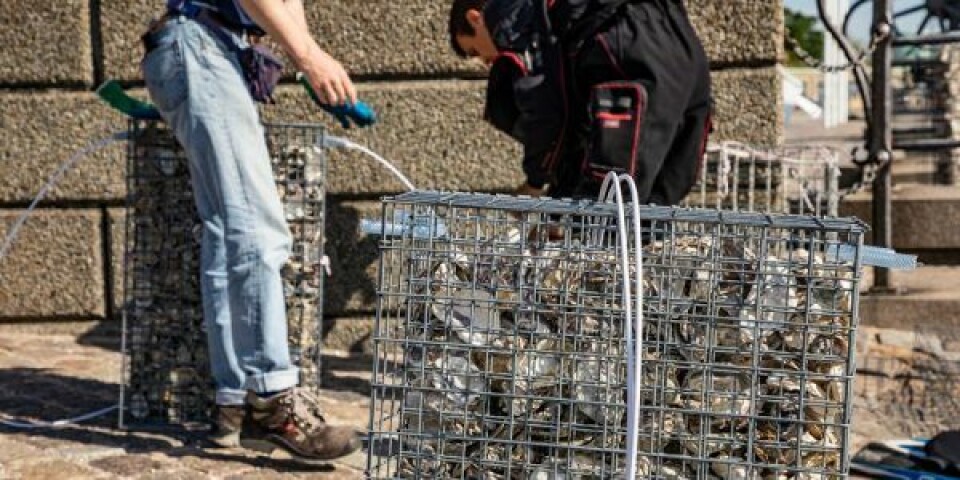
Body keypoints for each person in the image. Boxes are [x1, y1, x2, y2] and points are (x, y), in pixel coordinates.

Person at [140, 0, 360, 461]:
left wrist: (307, 67)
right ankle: (274, 399)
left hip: (202, 45)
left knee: (227, 235)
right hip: (201, 47)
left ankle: (235, 402)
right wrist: (309, 56)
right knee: (256, 229)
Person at [449, 0, 713, 205]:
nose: (485, 61)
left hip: (626, 49)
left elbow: (550, 110)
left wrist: (534, 182)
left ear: (475, 19)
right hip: (684, 47)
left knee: (607, 206)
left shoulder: (507, 16)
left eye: (475, 50)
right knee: (658, 199)